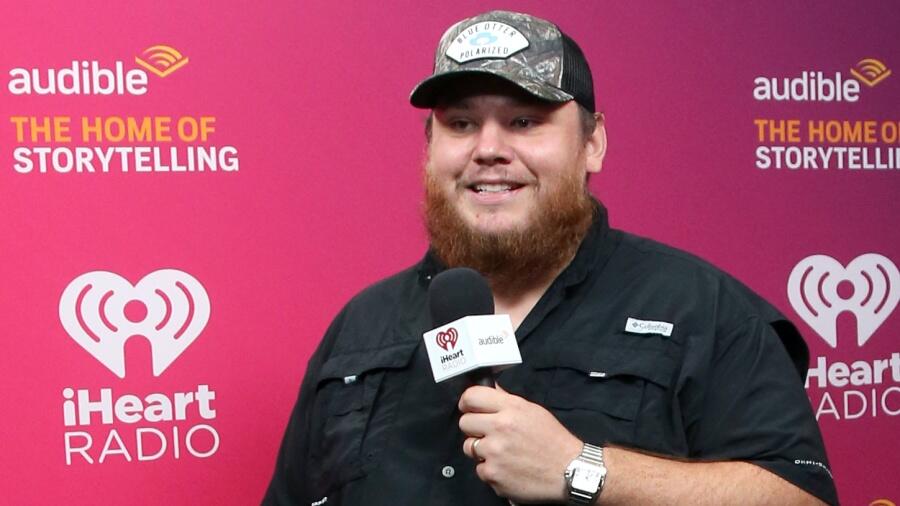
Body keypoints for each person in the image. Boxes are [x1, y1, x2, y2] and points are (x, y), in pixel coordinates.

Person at [264, 10, 838, 506]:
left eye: (524, 121)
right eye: (460, 124)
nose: (489, 149)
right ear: (430, 148)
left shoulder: (702, 310)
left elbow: (800, 496)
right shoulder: (360, 329)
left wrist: (580, 469)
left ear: (593, 143)